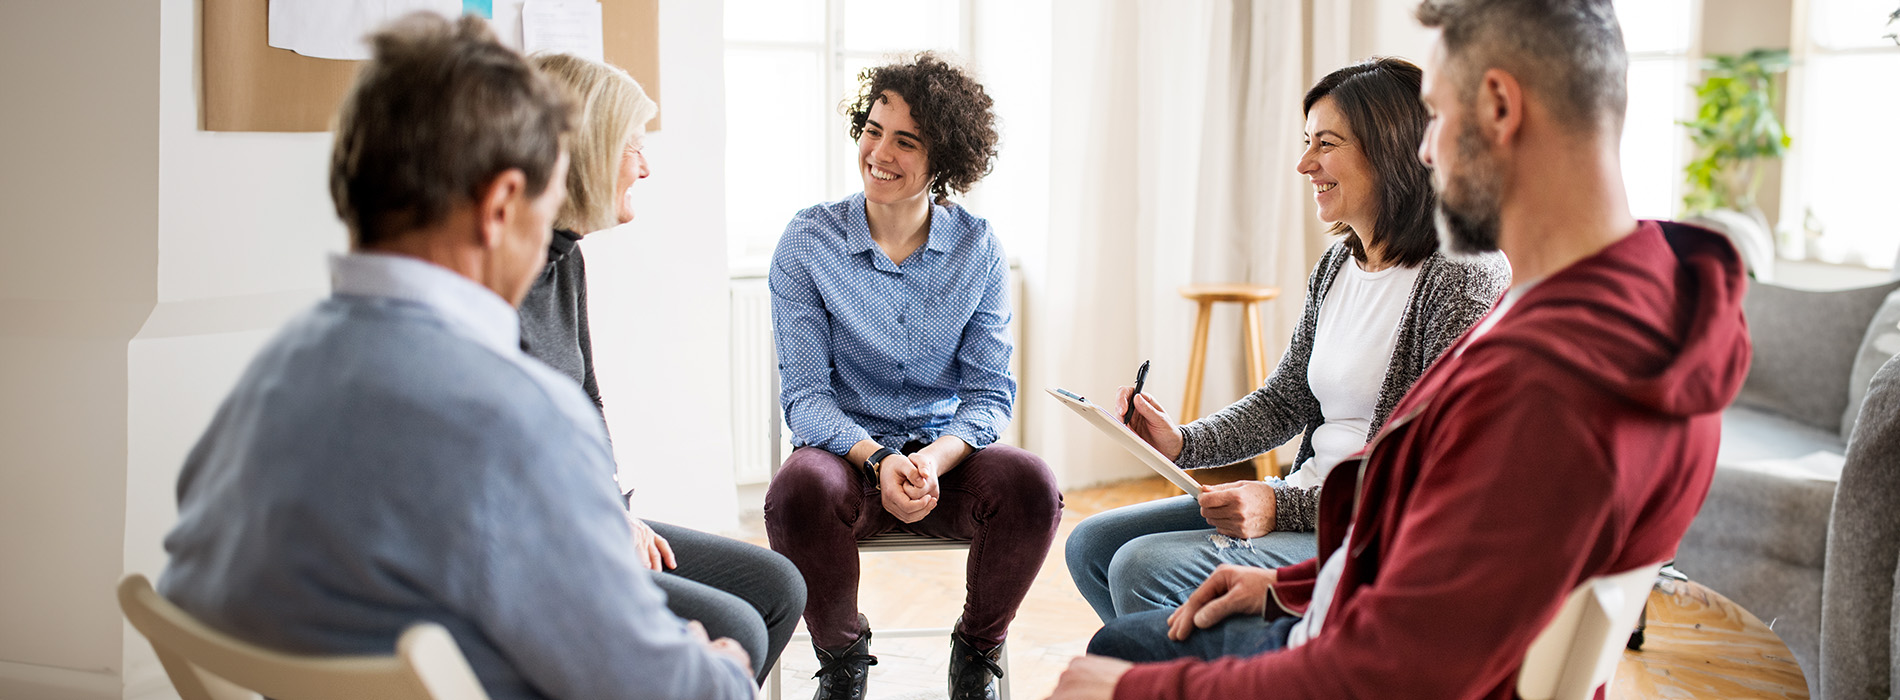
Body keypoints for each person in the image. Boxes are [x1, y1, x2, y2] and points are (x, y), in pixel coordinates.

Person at [1050, 0, 1752, 697]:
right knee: (1111, 574)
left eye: (1438, 117)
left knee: (1119, 651)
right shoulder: (1640, 314)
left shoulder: (1542, 385)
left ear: (1501, 108)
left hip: (1357, 657)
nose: (1424, 149)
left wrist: (1134, 690)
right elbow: (1442, 559)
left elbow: (1407, 668)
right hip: (1340, 603)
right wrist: (1287, 587)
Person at [157, 15, 753, 700]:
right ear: (501, 205)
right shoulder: (521, 420)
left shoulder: (274, 373)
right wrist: (729, 663)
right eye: (550, 190)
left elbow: (192, 585)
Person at [1064, 57, 1511, 623]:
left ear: (1393, 148)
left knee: (1141, 569)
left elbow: (1428, 471)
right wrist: (1181, 443)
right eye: (1307, 142)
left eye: (1325, 143)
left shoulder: (1463, 275)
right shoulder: (1338, 264)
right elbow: (1285, 401)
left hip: (1376, 530)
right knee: (1092, 546)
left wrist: (1280, 504)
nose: (1304, 164)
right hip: (1309, 499)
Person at [764, 52, 1063, 700]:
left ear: (945, 158)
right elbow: (807, 398)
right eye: (874, 130)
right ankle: (843, 658)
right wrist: (877, 461)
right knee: (796, 493)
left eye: (906, 141)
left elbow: (988, 395)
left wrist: (931, 459)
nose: (880, 152)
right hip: (848, 461)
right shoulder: (807, 243)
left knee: (1032, 485)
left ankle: (976, 654)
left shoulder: (978, 246)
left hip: (943, 468)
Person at [519, 52, 805, 684]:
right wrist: (602, 522)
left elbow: (585, 404)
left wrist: (616, 510)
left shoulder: (565, 261)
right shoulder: (500, 274)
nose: (645, 167)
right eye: (632, 146)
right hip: (548, 542)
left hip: (590, 515)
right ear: (588, 149)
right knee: (738, 627)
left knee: (779, 585)